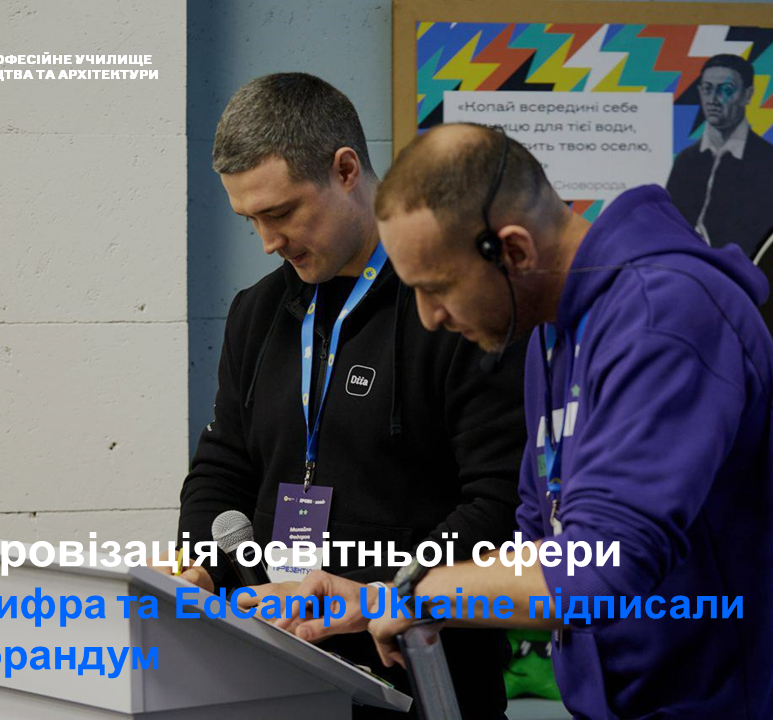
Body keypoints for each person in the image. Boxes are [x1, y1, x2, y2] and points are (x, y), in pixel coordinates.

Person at [355, 123, 773, 717]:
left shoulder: (666, 315)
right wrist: (380, 597)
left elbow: (599, 569)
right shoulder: (548, 337)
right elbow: (542, 547)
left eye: (437, 288)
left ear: (513, 251)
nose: (429, 318)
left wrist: (425, 593)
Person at [174, 75, 525, 718]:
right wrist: (202, 567)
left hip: (423, 669)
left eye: (281, 212)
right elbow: (222, 470)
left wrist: (377, 595)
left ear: (345, 170)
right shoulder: (256, 311)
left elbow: (499, 502)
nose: (268, 241)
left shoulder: (453, 307)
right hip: (277, 669)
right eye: (251, 220)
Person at [666, 54, 773, 257]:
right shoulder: (686, 161)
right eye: (707, 89)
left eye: (726, 90)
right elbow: (668, 230)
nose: (713, 100)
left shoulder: (772, 163)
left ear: (747, 95)